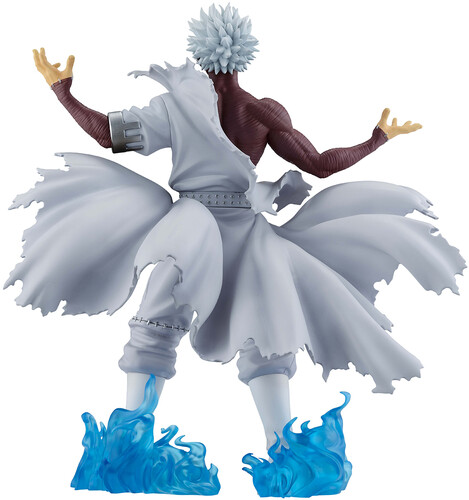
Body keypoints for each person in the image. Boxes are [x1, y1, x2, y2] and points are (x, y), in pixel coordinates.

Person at [7, 4, 464, 453]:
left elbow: (108, 133)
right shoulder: (259, 111)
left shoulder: (178, 108)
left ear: (199, 55)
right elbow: (321, 164)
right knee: (263, 334)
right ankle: (279, 449)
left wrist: (64, 94)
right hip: (241, 233)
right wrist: (376, 138)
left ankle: (134, 441)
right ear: (243, 56)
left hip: (190, 229)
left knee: (160, 326)